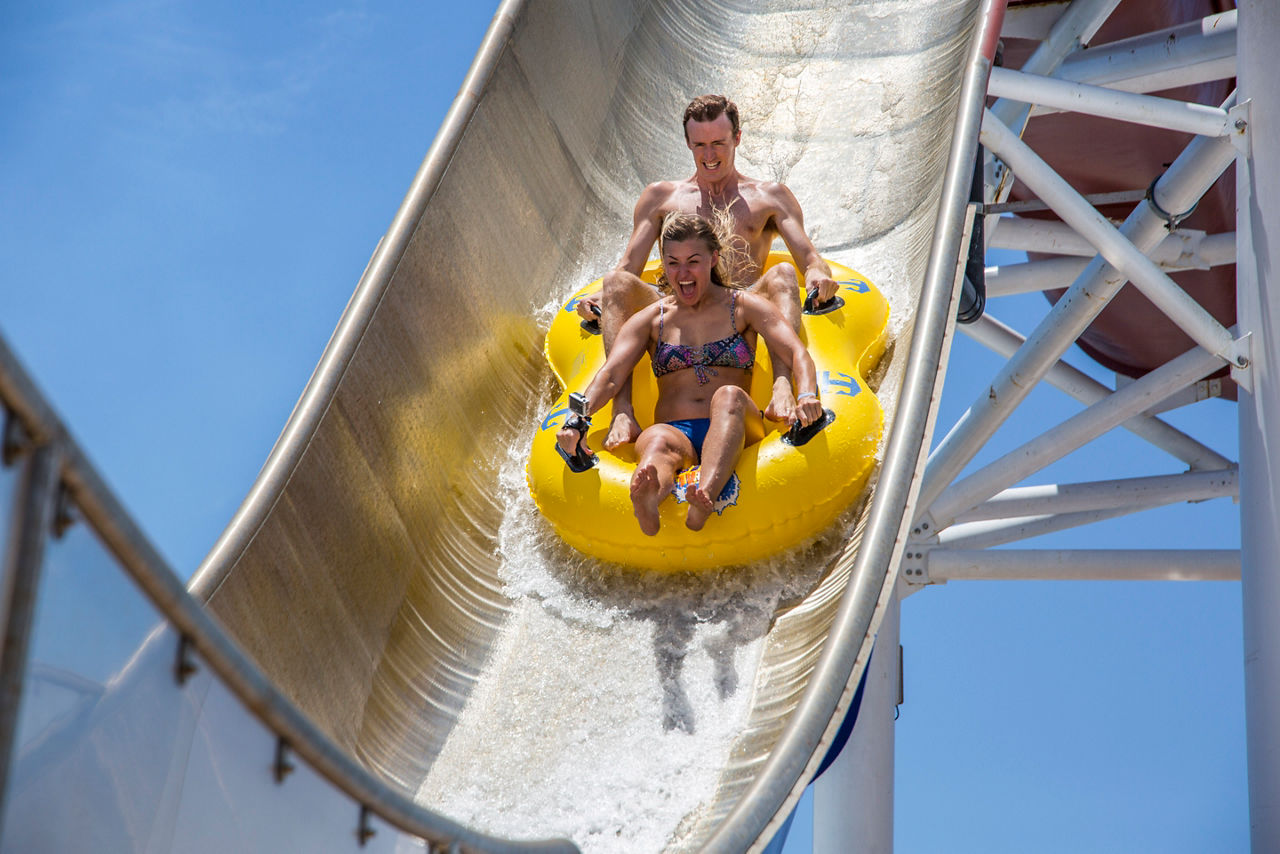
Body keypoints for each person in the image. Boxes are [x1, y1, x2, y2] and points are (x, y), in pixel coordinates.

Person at [576, 94, 840, 451]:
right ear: (688, 143)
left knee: (781, 274)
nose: (709, 155)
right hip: (675, 300)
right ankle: (622, 410)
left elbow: (808, 256)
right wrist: (599, 299)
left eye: (718, 143)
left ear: (737, 139)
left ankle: (781, 386)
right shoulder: (660, 198)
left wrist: (816, 275)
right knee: (615, 284)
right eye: (700, 145)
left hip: (742, 304)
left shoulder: (769, 197)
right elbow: (628, 268)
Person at [557, 212, 824, 536]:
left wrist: (807, 394)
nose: (682, 274)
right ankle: (649, 497)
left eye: (692, 262)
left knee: (727, 397)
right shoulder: (651, 320)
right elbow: (610, 375)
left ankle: (705, 496)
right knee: (655, 440)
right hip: (676, 430)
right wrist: (576, 420)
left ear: (713, 258)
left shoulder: (743, 307)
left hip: (738, 425)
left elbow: (797, 353)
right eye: (673, 263)